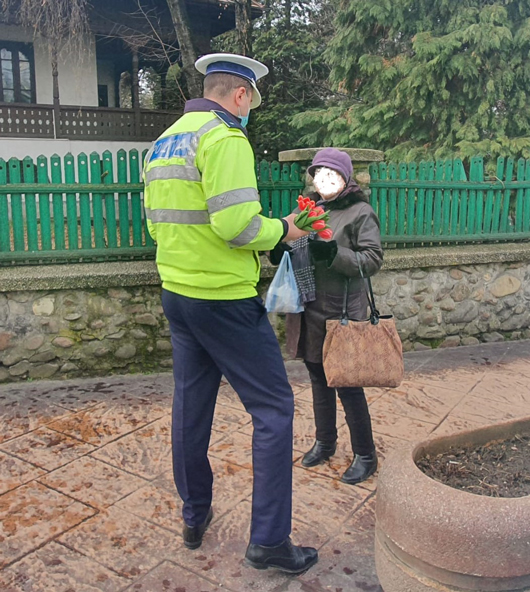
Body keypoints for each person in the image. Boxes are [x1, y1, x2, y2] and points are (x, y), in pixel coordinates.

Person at [143, 52, 317, 574]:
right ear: (240, 94)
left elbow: (156, 223)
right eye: (251, 102)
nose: (249, 111)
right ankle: (269, 541)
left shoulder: (165, 141)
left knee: (190, 407)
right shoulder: (225, 138)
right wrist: (284, 229)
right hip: (224, 298)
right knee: (274, 409)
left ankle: (194, 514)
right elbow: (237, 226)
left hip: (178, 294)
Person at [270, 148, 383, 485]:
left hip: (341, 312)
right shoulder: (306, 210)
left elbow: (372, 259)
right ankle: (325, 442)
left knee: (347, 385)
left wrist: (334, 252)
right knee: (318, 380)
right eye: (319, 174)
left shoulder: (361, 212)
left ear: (346, 179)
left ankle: (366, 454)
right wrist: (279, 249)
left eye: (331, 175)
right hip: (309, 308)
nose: (324, 180)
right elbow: (287, 240)